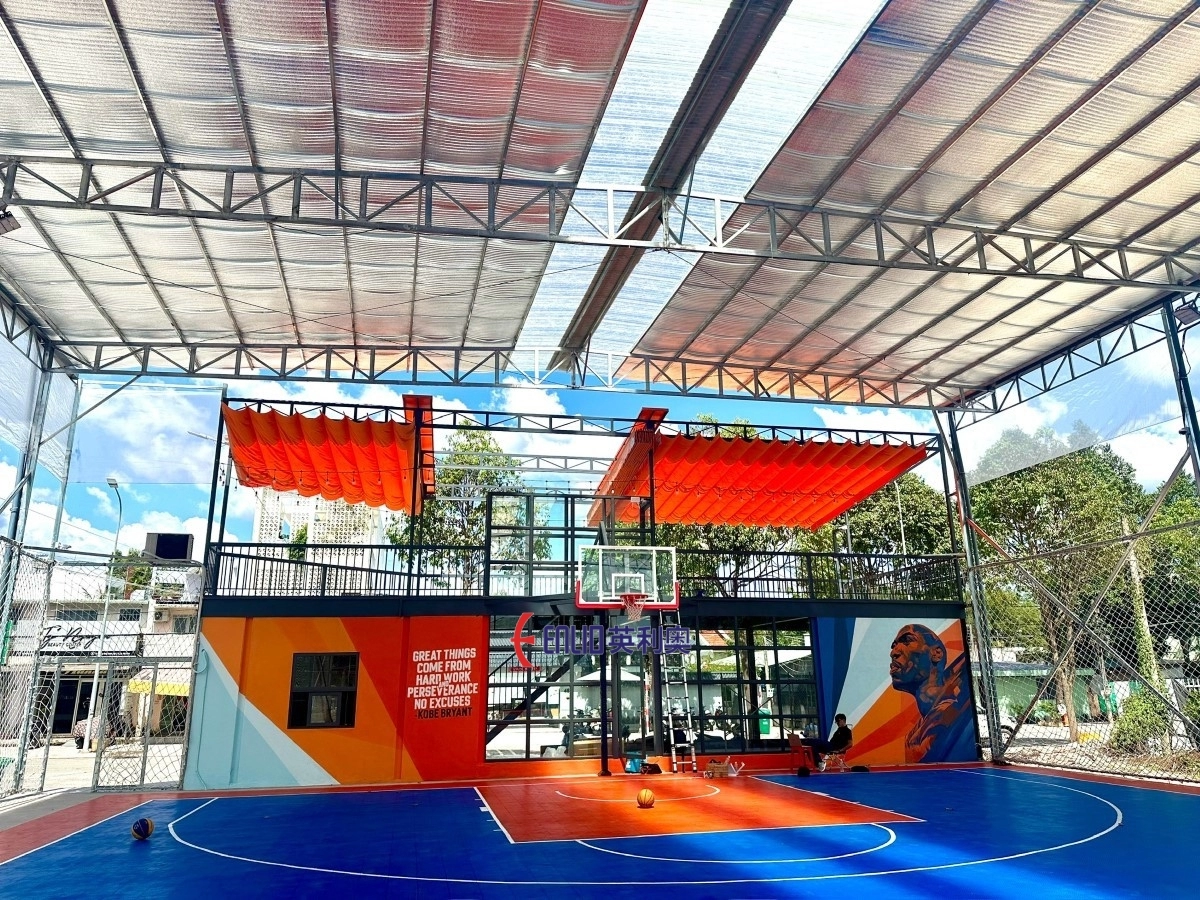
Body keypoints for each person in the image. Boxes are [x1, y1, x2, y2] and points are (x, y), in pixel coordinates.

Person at [889, 623, 972, 763]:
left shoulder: (960, 702)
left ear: (936, 654)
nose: (893, 653)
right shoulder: (913, 738)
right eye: (893, 646)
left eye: (907, 641)